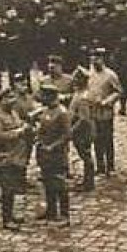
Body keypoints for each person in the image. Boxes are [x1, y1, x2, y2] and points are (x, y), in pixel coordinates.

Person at [0, 87, 31, 231]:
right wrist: (18, 132)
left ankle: (15, 214)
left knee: (16, 187)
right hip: (3, 158)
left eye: (13, 98)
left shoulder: (14, 113)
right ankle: (7, 219)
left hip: (16, 156)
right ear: (0, 101)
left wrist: (24, 126)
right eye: (8, 98)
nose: (12, 101)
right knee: (7, 190)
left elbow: (20, 124)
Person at [34, 84, 72, 223]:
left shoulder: (62, 113)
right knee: (48, 183)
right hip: (44, 154)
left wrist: (53, 146)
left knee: (60, 185)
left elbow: (67, 135)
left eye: (44, 96)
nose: (41, 99)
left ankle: (64, 215)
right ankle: (51, 212)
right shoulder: (46, 111)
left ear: (51, 97)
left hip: (57, 154)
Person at [84, 48, 122, 173]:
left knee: (107, 139)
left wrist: (107, 101)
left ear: (103, 59)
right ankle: (100, 165)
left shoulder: (110, 75)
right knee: (95, 139)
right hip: (92, 111)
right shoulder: (89, 75)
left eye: (98, 58)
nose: (95, 61)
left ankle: (110, 165)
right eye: (93, 58)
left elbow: (118, 92)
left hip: (105, 112)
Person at [67, 71, 97, 191]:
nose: (73, 80)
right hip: (82, 129)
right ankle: (87, 180)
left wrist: (71, 131)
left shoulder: (83, 97)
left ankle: (88, 183)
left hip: (83, 130)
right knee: (85, 155)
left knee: (85, 155)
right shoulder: (79, 93)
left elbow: (83, 118)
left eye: (76, 78)